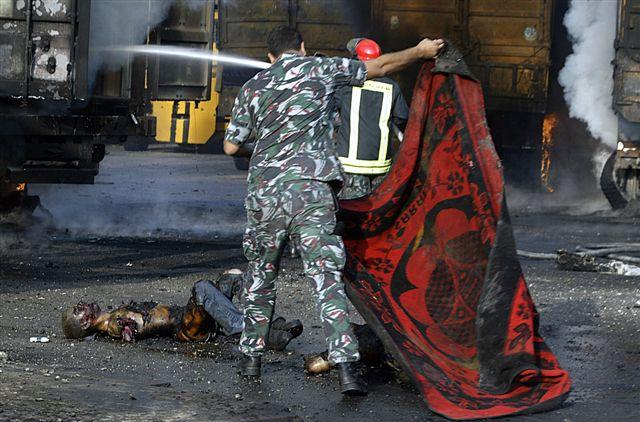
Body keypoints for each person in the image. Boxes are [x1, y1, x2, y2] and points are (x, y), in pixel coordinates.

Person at [223, 25, 444, 395]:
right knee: (326, 280)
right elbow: (380, 68)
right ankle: (346, 370)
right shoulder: (322, 70)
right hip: (312, 195)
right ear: (303, 48)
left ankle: (251, 361)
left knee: (261, 277)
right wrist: (419, 52)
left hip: (266, 198)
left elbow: (232, 147)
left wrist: (268, 155)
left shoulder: (254, 87)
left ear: (270, 56)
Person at [61, 269, 302, 350]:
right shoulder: (113, 324)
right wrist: (128, 327)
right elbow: (131, 329)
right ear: (84, 323)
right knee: (202, 289)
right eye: (77, 310)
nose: (81, 305)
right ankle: (250, 331)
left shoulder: (114, 317)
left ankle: (272, 323)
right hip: (185, 327)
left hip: (188, 319)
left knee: (232, 277)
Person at [335, 38, 410, 200]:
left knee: (352, 214)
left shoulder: (346, 85)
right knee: (375, 212)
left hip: (351, 165)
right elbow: (402, 118)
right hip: (380, 166)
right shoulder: (392, 87)